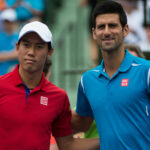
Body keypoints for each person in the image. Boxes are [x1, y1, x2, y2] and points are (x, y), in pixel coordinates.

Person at [0, 21, 99, 150]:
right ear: (17, 47)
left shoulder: (58, 96)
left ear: (50, 52)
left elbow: (67, 145)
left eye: (39, 46)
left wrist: (110, 139)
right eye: (26, 45)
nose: (31, 52)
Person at [71, 1, 150, 150]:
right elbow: (82, 123)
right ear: (94, 33)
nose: (106, 32)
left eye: (112, 25)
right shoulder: (87, 81)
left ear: (125, 30)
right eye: (101, 27)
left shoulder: (146, 71)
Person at [0, 8, 19, 75]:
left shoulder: (19, 37)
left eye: (9, 22)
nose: (7, 24)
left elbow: (19, 54)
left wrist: (3, 55)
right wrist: (12, 54)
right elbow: (17, 53)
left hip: (13, 76)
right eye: (5, 22)